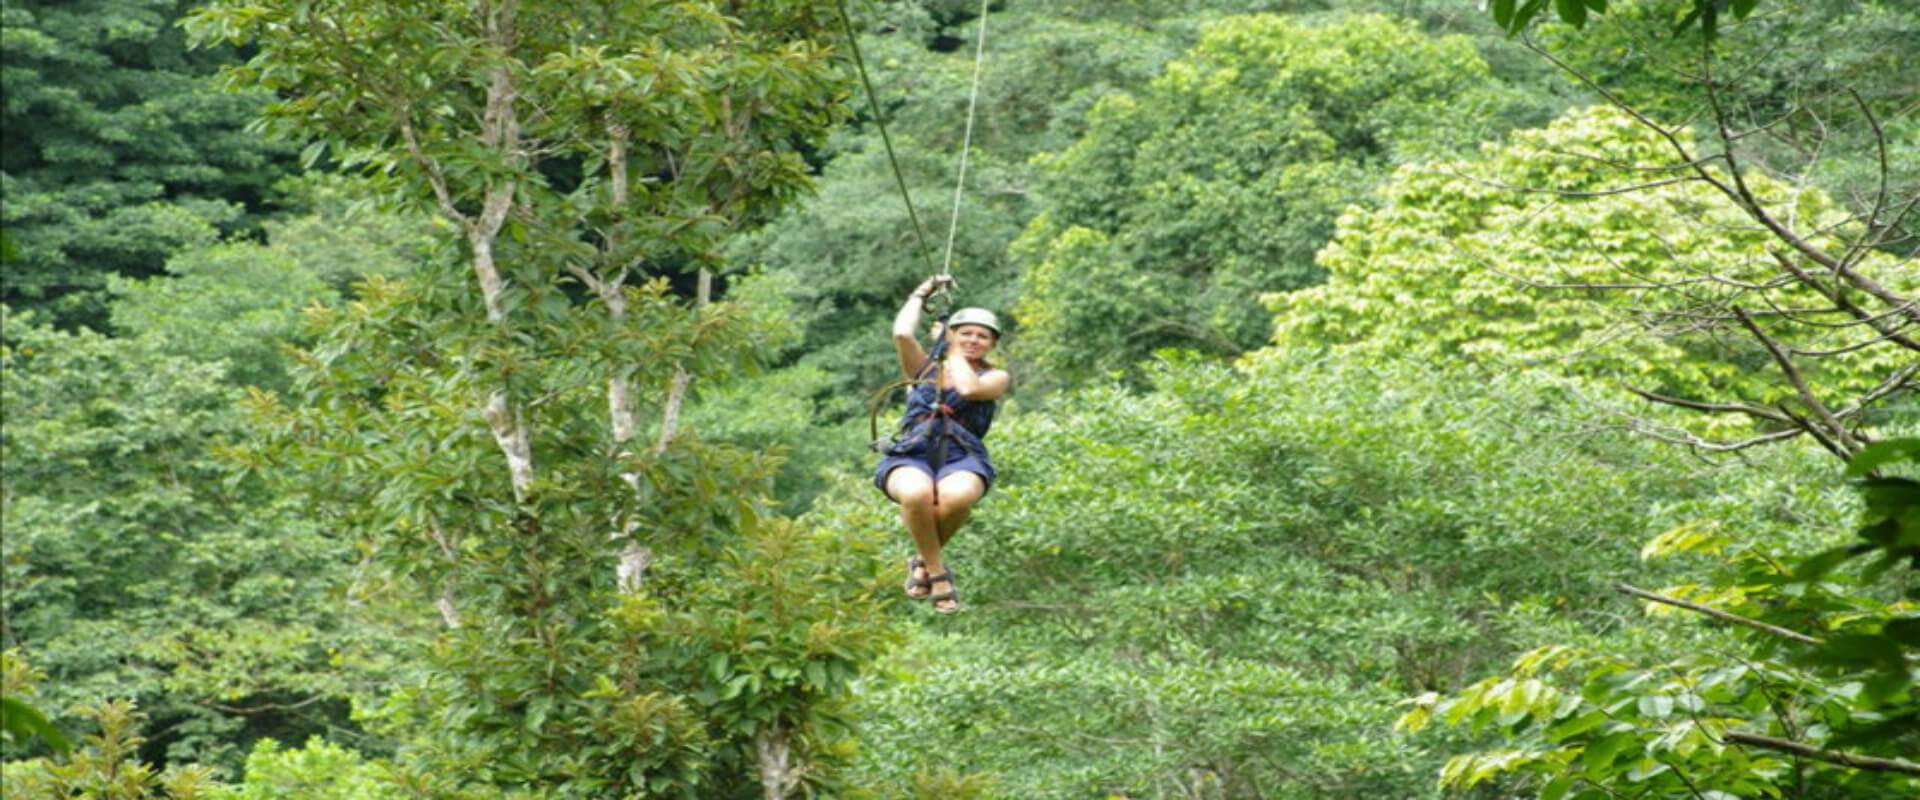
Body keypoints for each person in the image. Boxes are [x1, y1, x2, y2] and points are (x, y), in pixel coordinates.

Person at [875, 275, 1009, 613]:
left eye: (982, 336)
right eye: (966, 333)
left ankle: (923, 561)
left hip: (961, 453)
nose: (973, 340)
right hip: (913, 449)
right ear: (953, 334)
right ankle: (936, 572)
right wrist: (923, 293)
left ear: (992, 345)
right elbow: (902, 333)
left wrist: (950, 348)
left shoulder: (994, 377)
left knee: (958, 498)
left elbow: (967, 390)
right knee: (917, 494)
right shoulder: (925, 370)